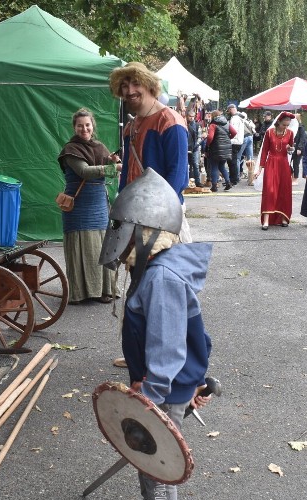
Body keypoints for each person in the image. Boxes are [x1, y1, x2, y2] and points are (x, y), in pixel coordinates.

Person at [97, 169, 212, 500]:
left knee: (156, 466)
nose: (119, 238)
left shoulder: (162, 277)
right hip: (160, 386)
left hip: (162, 389)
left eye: (124, 229)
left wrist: (151, 398)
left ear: (147, 232)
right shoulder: (152, 268)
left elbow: (166, 348)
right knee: (146, 465)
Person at [108, 61, 192, 369]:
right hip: (134, 217)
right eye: (125, 86)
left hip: (162, 220)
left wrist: (151, 216)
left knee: (159, 289)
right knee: (138, 286)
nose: (129, 91)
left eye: (135, 85)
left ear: (150, 86)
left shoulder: (170, 122)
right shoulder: (132, 126)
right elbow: (126, 177)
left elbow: (178, 178)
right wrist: (120, 207)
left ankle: (157, 356)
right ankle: (138, 351)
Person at [57, 108, 121, 304]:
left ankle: (104, 290)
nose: (84, 129)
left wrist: (112, 160)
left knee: (101, 246)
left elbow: (103, 163)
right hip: (78, 207)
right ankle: (79, 292)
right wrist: (112, 168)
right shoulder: (70, 150)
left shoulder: (99, 147)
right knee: (82, 247)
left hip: (99, 205)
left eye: (87, 125)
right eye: (80, 125)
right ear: (74, 127)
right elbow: (84, 171)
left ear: (93, 126)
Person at [255, 111, 295, 229]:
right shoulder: (269, 132)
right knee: (270, 190)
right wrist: (259, 169)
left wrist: (290, 149)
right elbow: (264, 151)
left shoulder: (290, 133)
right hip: (271, 163)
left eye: (288, 125)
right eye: (284, 125)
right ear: (278, 122)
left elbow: (291, 150)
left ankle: (283, 218)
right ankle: (266, 219)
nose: (286, 127)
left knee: (283, 191)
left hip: (283, 164)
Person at [206, 110, 235, 192]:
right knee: (222, 166)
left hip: (215, 148)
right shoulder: (227, 123)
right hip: (226, 148)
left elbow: (210, 137)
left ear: (213, 116)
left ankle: (214, 186)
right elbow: (234, 132)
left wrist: (208, 144)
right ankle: (228, 182)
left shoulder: (213, 125)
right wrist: (228, 138)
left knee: (214, 166)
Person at [226, 103, 244, 186]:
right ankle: (233, 178)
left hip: (234, 141)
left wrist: (229, 138)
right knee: (234, 160)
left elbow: (233, 131)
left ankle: (233, 179)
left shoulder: (235, 119)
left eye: (229, 111)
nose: (228, 113)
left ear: (231, 109)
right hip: (239, 141)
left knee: (232, 161)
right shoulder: (240, 117)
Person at [186, 110, 204, 188]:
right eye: (190, 116)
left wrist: (196, 145)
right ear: (187, 116)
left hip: (194, 148)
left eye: (193, 116)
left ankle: (197, 181)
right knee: (186, 165)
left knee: (196, 165)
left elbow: (200, 137)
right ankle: (186, 181)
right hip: (186, 148)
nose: (191, 118)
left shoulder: (197, 125)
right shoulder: (184, 124)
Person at [291, 112, 307, 185]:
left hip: (298, 148)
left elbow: (302, 138)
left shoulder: (301, 128)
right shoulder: (291, 127)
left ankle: (295, 179)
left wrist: (299, 148)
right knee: (287, 163)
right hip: (291, 148)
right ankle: (291, 175)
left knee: (296, 164)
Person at [238, 111, 256, 179]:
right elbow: (254, 130)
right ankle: (250, 178)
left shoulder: (240, 121)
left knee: (238, 157)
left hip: (244, 138)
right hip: (250, 137)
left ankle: (237, 176)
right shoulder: (249, 121)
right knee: (250, 159)